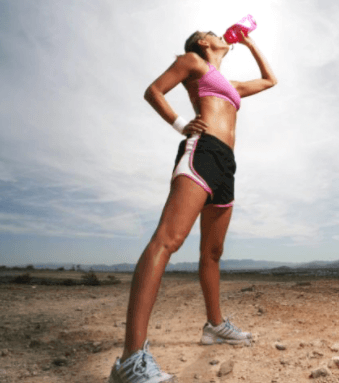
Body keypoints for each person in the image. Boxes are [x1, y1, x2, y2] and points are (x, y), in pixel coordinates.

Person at [108, 28, 277, 383]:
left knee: (213, 252)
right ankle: (130, 361)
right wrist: (180, 124)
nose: (221, 36)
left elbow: (269, 80)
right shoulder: (192, 62)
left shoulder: (227, 83)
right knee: (167, 240)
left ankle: (215, 326)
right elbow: (153, 91)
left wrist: (248, 43)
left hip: (226, 163)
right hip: (202, 151)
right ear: (203, 42)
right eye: (214, 33)